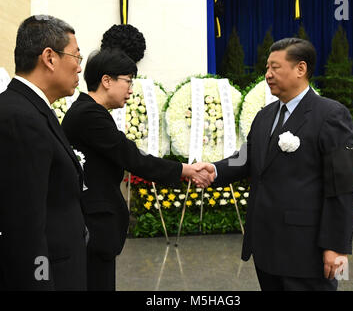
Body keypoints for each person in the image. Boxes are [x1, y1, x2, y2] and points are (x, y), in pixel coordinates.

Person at [195, 38, 353, 291]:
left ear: (300, 69)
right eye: (267, 68)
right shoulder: (265, 116)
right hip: (266, 247)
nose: (268, 75)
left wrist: (336, 247)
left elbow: (342, 186)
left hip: (306, 249)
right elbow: (247, 158)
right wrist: (214, 169)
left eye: (275, 67)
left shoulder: (330, 115)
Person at [61, 48, 214, 291]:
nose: (131, 90)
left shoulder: (89, 111)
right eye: (128, 81)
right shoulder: (89, 115)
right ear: (106, 81)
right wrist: (186, 170)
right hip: (92, 228)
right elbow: (132, 157)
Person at [0, 15, 87, 290]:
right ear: (49, 58)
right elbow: (25, 226)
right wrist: (40, 282)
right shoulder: (19, 117)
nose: (79, 68)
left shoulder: (31, 109)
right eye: (76, 56)